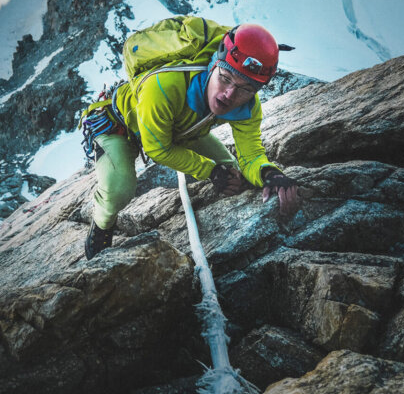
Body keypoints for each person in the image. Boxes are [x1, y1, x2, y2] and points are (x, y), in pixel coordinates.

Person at [83, 22, 299, 259]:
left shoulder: (248, 108)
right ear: (213, 65)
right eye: (225, 78)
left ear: (256, 90)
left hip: (179, 130)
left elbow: (251, 156)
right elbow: (158, 149)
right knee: (119, 189)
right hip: (119, 126)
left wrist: (269, 173)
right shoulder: (164, 86)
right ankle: (102, 224)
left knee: (231, 172)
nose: (229, 95)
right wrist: (209, 170)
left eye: (245, 89)